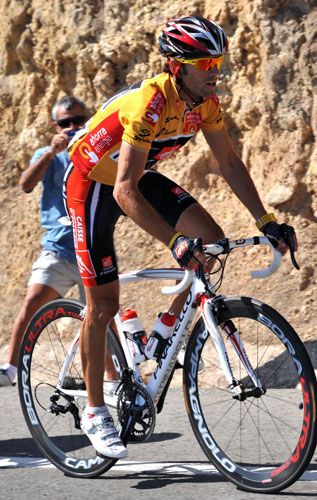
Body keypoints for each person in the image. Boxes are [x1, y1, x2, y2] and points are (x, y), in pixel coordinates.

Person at [64, 16, 297, 459]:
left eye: (219, 60)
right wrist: (174, 242)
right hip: (93, 184)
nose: (216, 70)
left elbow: (229, 163)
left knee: (210, 240)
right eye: (206, 61)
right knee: (103, 305)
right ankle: (95, 410)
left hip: (135, 176)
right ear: (177, 66)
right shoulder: (150, 103)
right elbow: (124, 191)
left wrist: (266, 219)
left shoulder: (205, 102)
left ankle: (165, 330)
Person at [0, 96, 88, 387]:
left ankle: (111, 379)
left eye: (79, 121)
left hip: (91, 250)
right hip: (59, 250)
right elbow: (25, 184)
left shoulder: (95, 151)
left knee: (102, 321)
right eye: (66, 123)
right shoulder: (48, 153)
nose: (73, 127)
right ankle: (10, 368)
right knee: (31, 306)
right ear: (55, 126)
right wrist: (51, 152)